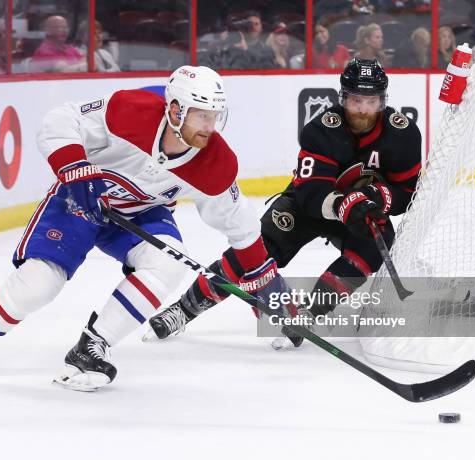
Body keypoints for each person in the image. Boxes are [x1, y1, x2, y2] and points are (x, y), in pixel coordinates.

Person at [0, 65, 292, 391]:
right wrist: (74, 168)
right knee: (40, 283)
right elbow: (61, 120)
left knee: (168, 262)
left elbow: (239, 225)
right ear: (175, 110)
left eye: (215, 117)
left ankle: (92, 346)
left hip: (140, 215)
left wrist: (267, 286)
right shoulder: (130, 109)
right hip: (81, 200)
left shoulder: (215, 163)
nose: (210, 127)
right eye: (201, 117)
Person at [145, 59, 422, 349]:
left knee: (375, 245)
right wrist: (344, 204)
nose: (363, 109)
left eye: (371, 101)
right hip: (308, 208)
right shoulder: (322, 129)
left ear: (383, 100)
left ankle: (309, 313)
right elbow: (312, 193)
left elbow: (408, 192)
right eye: (355, 100)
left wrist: (381, 197)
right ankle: (184, 309)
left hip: (359, 213)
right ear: (343, 98)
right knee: (252, 251)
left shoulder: (402, 135)